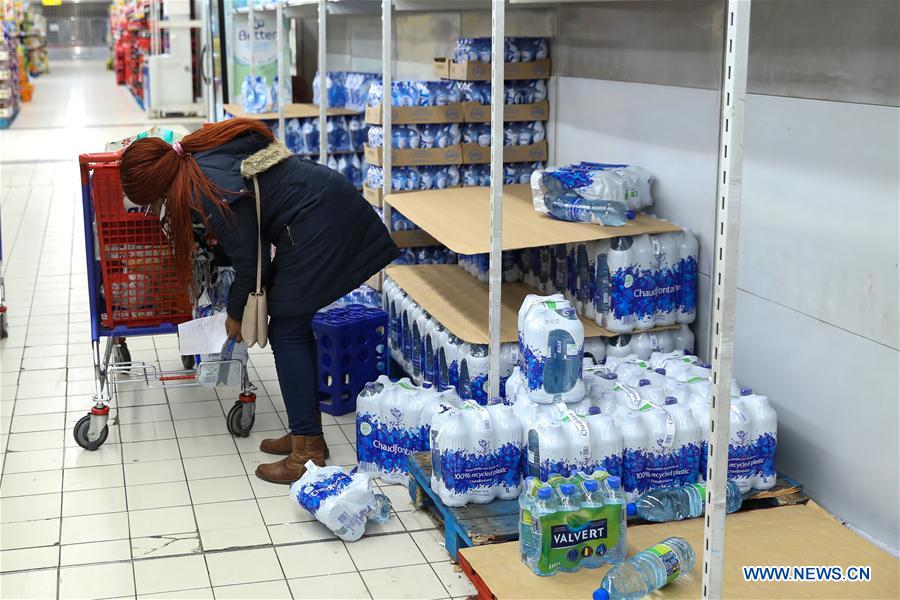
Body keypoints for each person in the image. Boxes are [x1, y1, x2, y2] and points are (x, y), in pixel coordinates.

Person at [119, 119, 398, 483]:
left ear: (155, 184)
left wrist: (235, 315)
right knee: (289, 325)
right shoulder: (193, 163)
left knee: (286, 329)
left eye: (149, 200)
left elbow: (251, 264)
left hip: (320, 222)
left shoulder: (205, 189)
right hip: (320, 207)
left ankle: (307, 452)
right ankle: (305, 433)